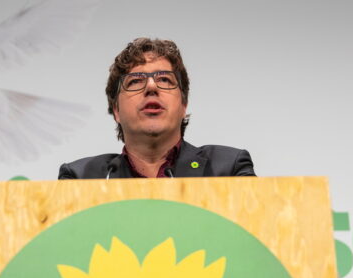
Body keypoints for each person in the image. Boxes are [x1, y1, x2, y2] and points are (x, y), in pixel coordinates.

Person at [58, 38, 255, 179]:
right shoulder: (80, 177)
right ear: (116, 110)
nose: (151, 87)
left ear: (183, 105)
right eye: (135, 81)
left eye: (164, 80)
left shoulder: (229, 168)